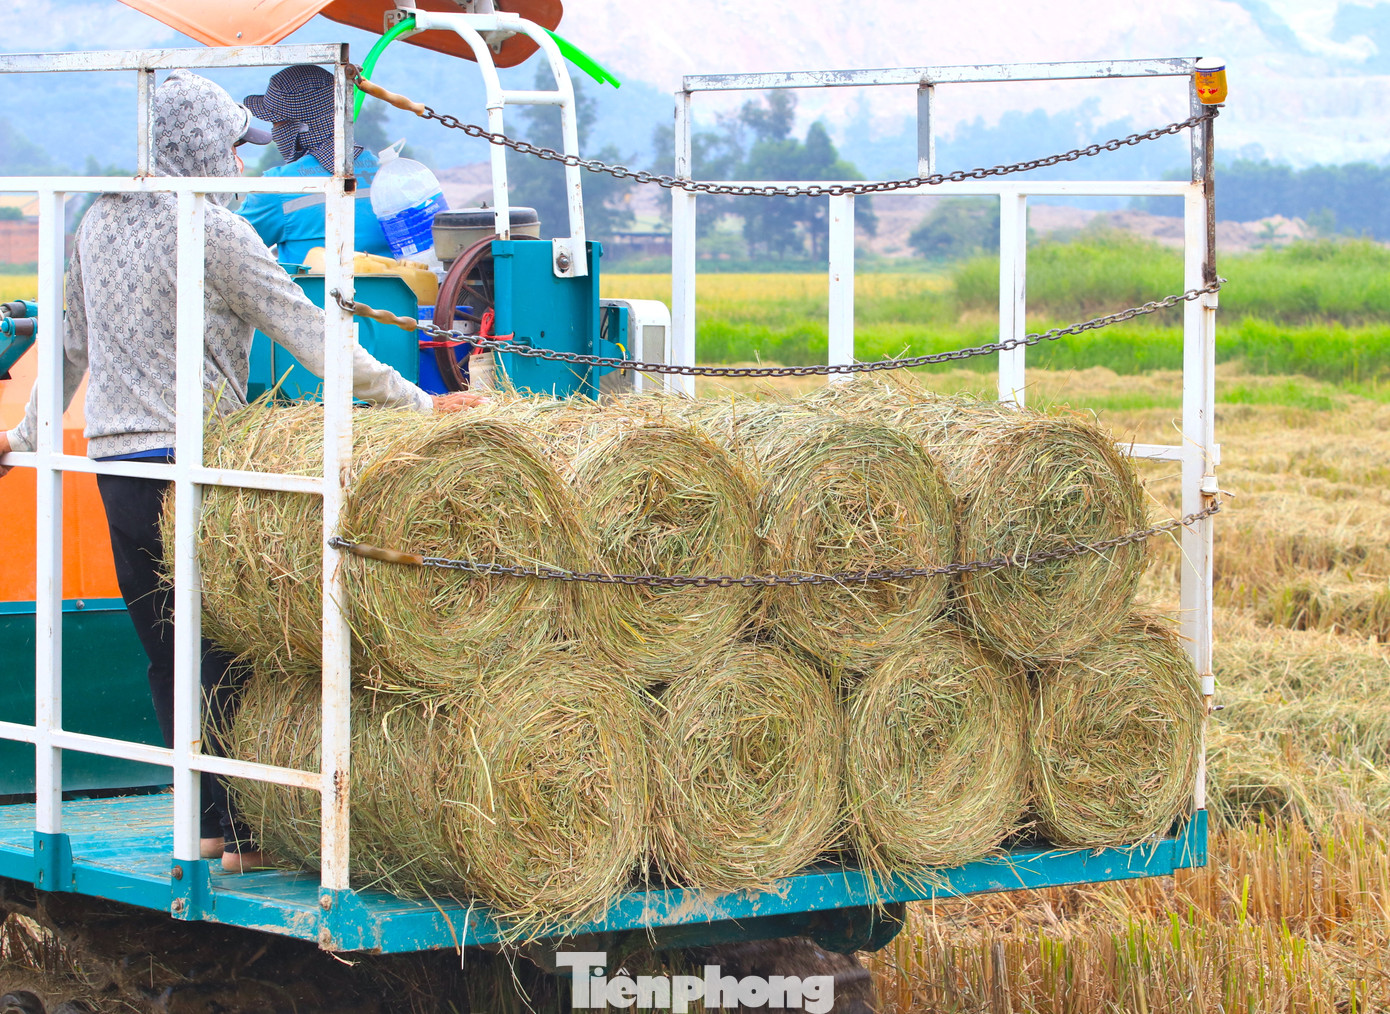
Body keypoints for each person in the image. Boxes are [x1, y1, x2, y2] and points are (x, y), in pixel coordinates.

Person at [0, 70, 478, 872]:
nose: (241, 163)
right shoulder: (214, 231)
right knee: (227, 641)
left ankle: (204, 824)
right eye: (230, 147)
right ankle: (246, 836)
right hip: (195, 463)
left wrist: (22, 434)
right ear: (198, 150)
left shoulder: (98, 221)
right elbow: (315, 337)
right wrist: (423, 408)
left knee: (166, 647)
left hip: (116, 466)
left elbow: (71, 346)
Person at [239, 64, 393, 265]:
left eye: (276, 123)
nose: (275, 133)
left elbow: (225, 245)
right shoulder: (389, 173)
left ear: (297, 128)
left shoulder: (277, 187)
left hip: (312, 297)